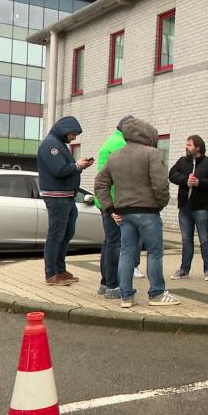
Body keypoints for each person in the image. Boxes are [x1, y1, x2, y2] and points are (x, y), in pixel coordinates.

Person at [94, 118, 180, 308]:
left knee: (126, 253)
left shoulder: (114, 156)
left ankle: (126, 296)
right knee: (154, 253)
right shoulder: (151, 153)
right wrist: (160, 204)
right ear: (146, 134)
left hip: (124, 213)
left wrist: (110, 209)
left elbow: (100, 183)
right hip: (148, 211)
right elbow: (160, 184)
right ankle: (156, 293)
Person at [37, 116, 93, 286]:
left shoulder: (58, 144)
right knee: (56, 235)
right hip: (57, 197)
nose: (74, 138)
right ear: (65, 130)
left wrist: (78, 167)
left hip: (66, 196)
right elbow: (59, 170)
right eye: (73, 134)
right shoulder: (51, 145)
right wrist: (78, 166)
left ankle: (60, 270)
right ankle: (51, 274)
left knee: (66, 234)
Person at [169, 135, 208, 281]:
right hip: (184, 208)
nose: (186, 147)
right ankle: (184, 270)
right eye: (186, 144)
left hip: (201, 207)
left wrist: (200, 182)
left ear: (198, 147)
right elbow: (172, 175)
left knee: (204, 238)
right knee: (186, 240)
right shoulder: (182, 161)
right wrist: (185, 180)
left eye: (189, 145)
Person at [93, 115, 132, 298]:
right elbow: (121, 177)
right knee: (115, 244)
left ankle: (104, 283)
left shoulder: (111, 140)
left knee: (109, 242)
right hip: (114, 201)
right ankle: (113, 285)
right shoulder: (120, 145)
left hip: (105, 200)